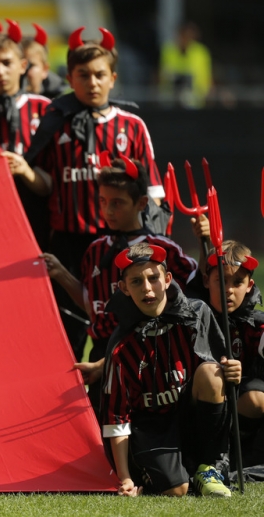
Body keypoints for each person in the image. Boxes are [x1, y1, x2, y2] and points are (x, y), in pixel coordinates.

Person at [8, 26, 165, 359]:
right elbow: (46, 185)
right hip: (67, 243)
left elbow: (153, 193)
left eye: (99, 75)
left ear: (113, 78)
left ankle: (118, 387)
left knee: (123, 327)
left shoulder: (132, 126)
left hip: (117, 244)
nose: (92, 82)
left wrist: (148, 239)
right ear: (70, 79)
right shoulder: (54, 123)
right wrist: (25, 171)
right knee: (67, 333)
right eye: (83, 75)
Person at [44, 154, 198, 412]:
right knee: (102, 426)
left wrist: (205, 242)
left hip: (148, 353)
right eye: (103, 202)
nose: (108, 211)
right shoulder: (95, 250)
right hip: (100, 352)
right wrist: (61, 273)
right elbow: (93, 307)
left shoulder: (162, 249)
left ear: (141, 203)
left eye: (117, 203)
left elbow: (197, 293)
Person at [101, 242, 240, 497]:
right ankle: (175, 474)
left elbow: (221, 370)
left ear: (167, 280)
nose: (147, 288)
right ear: (124, 288)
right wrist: (125, 477)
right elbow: (116, 417)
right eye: (136, 282)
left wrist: (233, 371)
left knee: (212, 373)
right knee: (177, 490)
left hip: (191, 416)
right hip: (152, 428)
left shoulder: (197, 314)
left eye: (153, 278)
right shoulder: (121, 346)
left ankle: (210, 468)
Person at [0, 22, 50, 249]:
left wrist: (25, 171)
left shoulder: (45, 109)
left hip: (35, 213)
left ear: (22, 65)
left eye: (7, 63)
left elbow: (52, 183)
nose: (0, 71)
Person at [202, 242, 264, 467]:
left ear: (249, 286)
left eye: (237, 282)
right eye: (221, 280)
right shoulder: (193, 320)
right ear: (206, 281)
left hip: (243, 406)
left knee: (256, 398)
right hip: (201, 409)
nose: (228, 289)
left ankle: (246, 455)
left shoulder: (258, 325)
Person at [20, 23, 66, 100]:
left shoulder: (60, 102)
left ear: (45, 69)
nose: (24, 70)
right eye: (20, 65)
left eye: (30, 65)